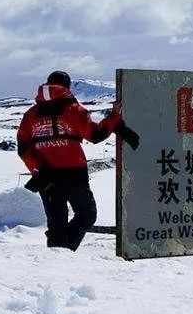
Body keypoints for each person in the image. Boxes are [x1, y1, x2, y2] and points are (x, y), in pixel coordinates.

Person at [17, 70, 140, 250]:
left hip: (46, 175)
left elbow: (23, 148)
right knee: (86, 215)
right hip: (74, 173)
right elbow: (95, 134)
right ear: (67, 86)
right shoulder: (72, 109)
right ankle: (65, 251)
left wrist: (37, 169)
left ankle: (57, 259)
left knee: (56, 224)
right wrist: (114, 117)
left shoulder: (30, 115)